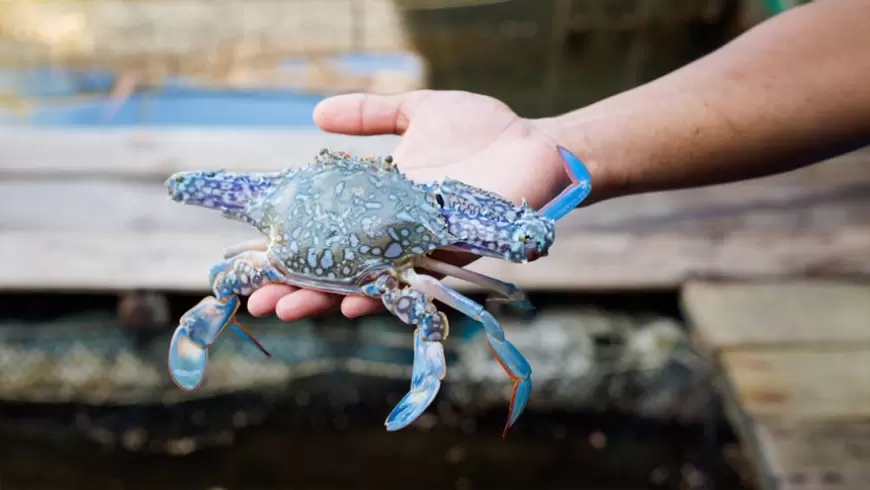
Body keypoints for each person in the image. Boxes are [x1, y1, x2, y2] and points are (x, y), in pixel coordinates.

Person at [248, 0, 870, 322]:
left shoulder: (416, 214)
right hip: (396, 266)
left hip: (308, 255)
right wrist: (545, 146)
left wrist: (541, 148)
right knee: (452, 319)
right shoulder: (427, 220)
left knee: (233, 285)